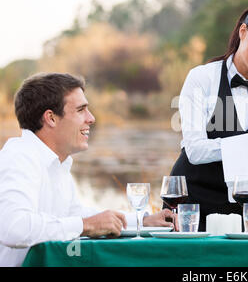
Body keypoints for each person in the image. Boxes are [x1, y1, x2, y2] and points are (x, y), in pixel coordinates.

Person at [0, 73, 175, 267]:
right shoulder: (19, 156)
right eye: (81, 110)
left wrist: (143, 222)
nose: (91, 119)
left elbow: (75, 215)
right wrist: (87, 226)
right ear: (51, 118)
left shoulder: (57, 163)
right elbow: (12, 228)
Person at [170, 5, 248, 231]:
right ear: (243, 32)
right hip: (191, 202)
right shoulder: (202, 78)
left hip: (243, 202)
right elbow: (195, 151)